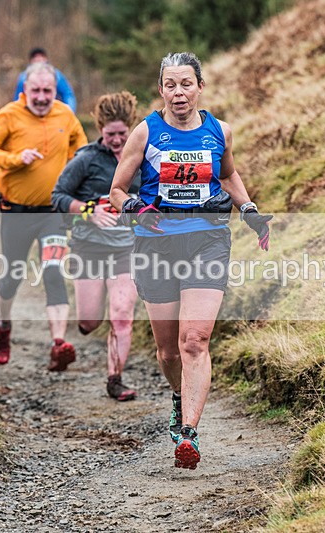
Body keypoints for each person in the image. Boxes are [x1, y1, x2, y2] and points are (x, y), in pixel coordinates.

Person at [110, 52, 272, 469]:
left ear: (200, 87)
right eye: (170, 85)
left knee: (194, 341)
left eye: (186, 84)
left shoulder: (220, 131)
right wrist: (136, 209)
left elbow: (227, 175)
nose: (178, 93)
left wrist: (250, 211)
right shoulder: (146, 133)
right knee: (168, 352)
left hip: (207, 241)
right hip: (156, 244)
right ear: (160, 89)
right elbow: (117, 190)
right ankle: (178, 397)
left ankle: (189, 433)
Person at [0, 62, 88, 371]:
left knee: (53, 270)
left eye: (47, 90)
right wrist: (13, 159)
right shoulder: (9, 114)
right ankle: (4, 325)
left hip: (53, 213)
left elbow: (82, 150)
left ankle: (58, 345)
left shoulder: (65, 114)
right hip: (16, 213)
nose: (41, 97)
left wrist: (76, 173)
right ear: (25, 90)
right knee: (13, 276)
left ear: (55, 90)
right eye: (35, 90)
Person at [52, 91, 141, 401]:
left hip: (127, 247)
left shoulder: (142, 156)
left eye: (122, 134)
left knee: (121, 313)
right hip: (88, 247)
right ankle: (86, 326)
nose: (117, 140)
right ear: (100, 129)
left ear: (131, 127)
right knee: (90, 321)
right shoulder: (86, 159)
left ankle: (115, 379)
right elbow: (58, 196)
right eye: (110, 134)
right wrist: (89, 211)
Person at [13, 47, 77, 113]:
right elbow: (18, 97)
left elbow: (67, 94)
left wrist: (70, 110)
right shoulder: (23, 77)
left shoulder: (56, 75)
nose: (41, 97)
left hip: (52, 111)